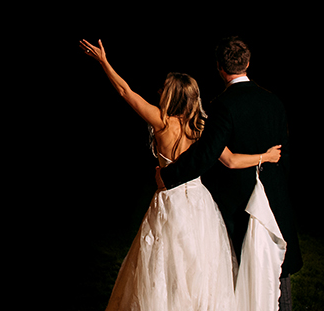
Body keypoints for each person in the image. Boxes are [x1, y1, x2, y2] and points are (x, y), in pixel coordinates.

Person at [80, 39, 281, 311]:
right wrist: (264, 157)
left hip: (169, 202)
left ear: (170, 95)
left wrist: (104, 62)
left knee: (163, 263)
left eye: (163, 88)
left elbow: (125, 92)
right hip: (199, 204)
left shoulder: (161, 121)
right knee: (198, 265)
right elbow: (231, 161)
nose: (159, 90)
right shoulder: (201, 128)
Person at [157, 37, 301, 311]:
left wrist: (168, 176)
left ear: (220, 69)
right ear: (247, 64)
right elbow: (286, 157)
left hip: (240, 205)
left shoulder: (222, 106)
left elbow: (206, 155)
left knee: (241, 271)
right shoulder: (274, 102)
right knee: (277, 269)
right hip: (274, 199)